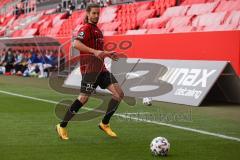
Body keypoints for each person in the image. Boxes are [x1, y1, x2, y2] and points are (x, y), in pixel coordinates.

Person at [56, 3, 124, 140]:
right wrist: (95, 51)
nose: (96, 16)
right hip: (90, 71)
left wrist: (106, 54)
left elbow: (98, 52)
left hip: (102, 69)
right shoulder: (85, 28)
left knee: (119, 94)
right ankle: (62, 125)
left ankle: (104, 123)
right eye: (93, 13)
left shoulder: (98, 31)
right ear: (87, 14)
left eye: (98, 13)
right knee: (83, 99)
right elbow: (76, 44)